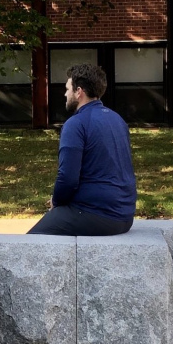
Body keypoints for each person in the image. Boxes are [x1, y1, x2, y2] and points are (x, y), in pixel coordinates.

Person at [28, 63, 136, 236]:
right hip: (125, 216)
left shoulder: (76, 124)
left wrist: (56, 202)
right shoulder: (117, 119)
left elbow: (68, 178)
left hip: (96, 214)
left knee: (30, 244)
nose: (65, 94)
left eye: (68, 89)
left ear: (79, 92)